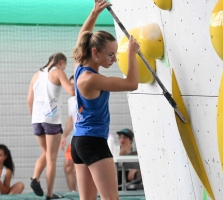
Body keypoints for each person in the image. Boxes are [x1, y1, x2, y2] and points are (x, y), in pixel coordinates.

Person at [70, 0, 140, 199]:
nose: (114, 59)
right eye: (110, 55)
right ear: (95, 52)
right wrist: (132, 54)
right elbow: (132, 84)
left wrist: (94, 13)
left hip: (79, 142)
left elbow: (82, 37)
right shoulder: (92, 79)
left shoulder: (80, 69)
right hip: (92, 142)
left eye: (115, 54)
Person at [27, 53, 74, 200]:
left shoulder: (36, 75)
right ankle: (49, 194)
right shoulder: (58, 72)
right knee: (52, 159)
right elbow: (71, 91)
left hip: (37, 119)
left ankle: (35, 178)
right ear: (61, 63)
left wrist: (36, 117)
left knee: (45, 152)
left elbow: (29, 101)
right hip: (51, 119)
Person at [60, 75, 77, 192]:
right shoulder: (71, 100)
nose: (71, 88)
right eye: (70, 85)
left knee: (80, 168)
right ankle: (73, 193)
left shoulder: (88, 97)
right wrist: (64, 136)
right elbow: (71, 119)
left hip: (86, 137)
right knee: (68, 166)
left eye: (73, 85)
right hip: (74, 137)